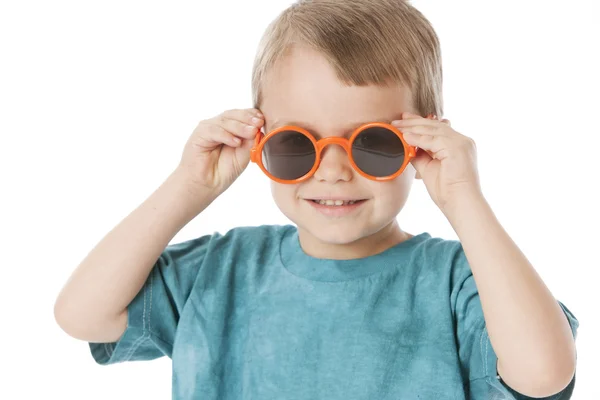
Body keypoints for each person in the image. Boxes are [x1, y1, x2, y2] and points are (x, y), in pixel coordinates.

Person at [54, 1, 579, 399]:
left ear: (422, 143)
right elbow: (83, 315)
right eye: (295, 146)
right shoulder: (222, 270)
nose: (333, 172)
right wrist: (189, 187)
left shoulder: (458, 279)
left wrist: (466, 200)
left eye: (372, 144)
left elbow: (544, 374)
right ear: (258, 142)